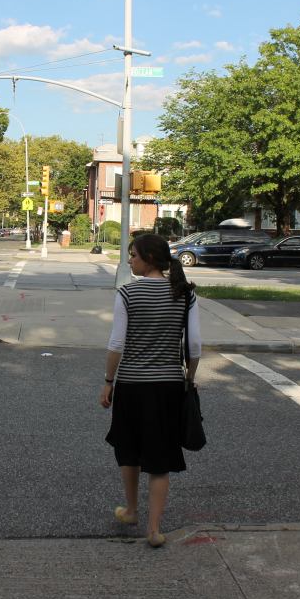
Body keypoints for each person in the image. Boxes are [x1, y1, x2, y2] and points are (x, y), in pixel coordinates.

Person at [100, 233, 201, 548]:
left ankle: (131, 511)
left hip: (131, 385)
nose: (130, 260)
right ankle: (154, 530)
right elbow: (194, 345)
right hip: (168, 387)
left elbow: (117, 344)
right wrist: (190, 377)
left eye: (134, 255)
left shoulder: (127, 293)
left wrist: (108, 381)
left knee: (128, 448)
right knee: (160, 457)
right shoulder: (184, 294)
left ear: (149, 259)